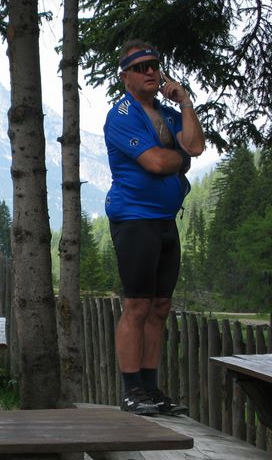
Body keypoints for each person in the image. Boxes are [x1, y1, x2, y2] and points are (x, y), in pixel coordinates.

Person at [104, 40, 205, 415]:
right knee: (137, 305)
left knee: (160, 306)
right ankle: (132, 391)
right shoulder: (121, 115)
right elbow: (156, 163)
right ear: (125, 76)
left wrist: (186, 103)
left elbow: (195, 147)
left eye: (154, 65)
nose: (150, 71)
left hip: (164, 221)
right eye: (140, 67)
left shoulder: (169, 113)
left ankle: (151, 388)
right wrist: (181, 159)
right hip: (134, 219)